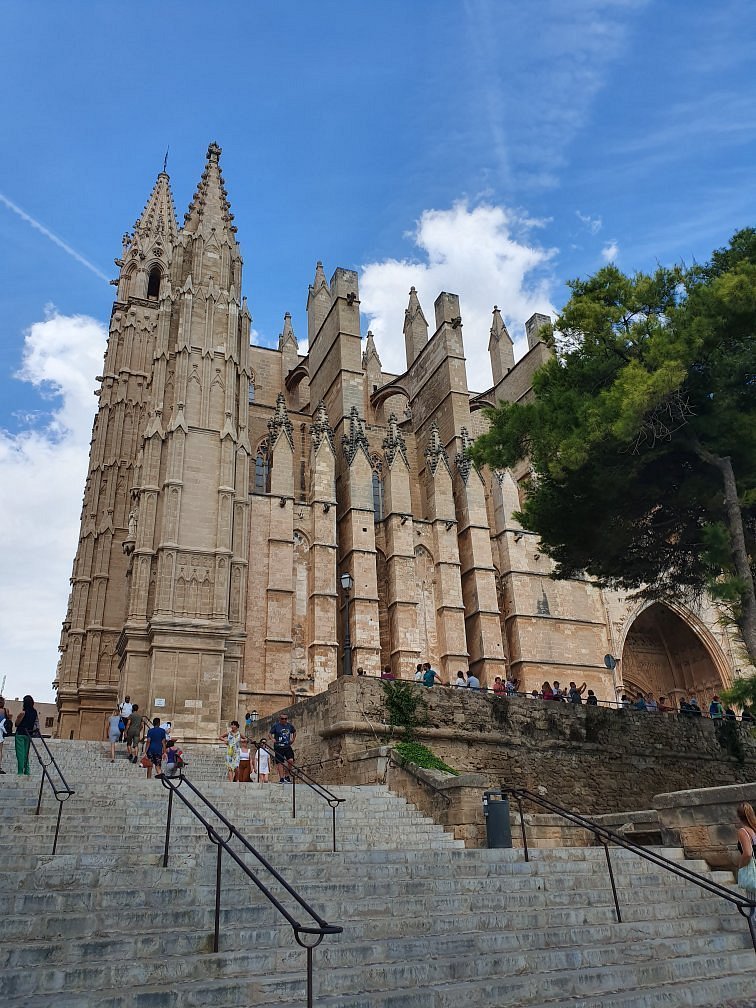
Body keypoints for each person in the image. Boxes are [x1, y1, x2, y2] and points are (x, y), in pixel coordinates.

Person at [734, 802, 756, 908]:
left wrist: (740, 866)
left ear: (738, 816)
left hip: (753, 871)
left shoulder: (743, 831)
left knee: (753, 906)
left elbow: (747, 853)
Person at [14, 695, 39, 776]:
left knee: (20, 753)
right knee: (26, 753)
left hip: (20, 734)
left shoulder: (23, 713)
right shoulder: (34, 712)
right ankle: (27, 770)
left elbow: (16, 724)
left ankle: (20, 771)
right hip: (28, 734)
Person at [270, 712, 296, 783]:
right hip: (278, 746)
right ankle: (281, 778)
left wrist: (293, 739)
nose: (284, 720)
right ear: (280, 719)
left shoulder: (289, 726)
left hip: (287, 746)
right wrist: (272, 739)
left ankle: (287, 776)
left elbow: (294, 731)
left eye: (285, 719)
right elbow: (270, 733)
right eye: (282, 719)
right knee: (280, 762)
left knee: (291, 760)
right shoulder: (276, 726)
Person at [0, 696, 11, 774]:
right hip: (1, 731)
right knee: (0, 750)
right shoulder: (5, 710)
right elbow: (8, 719)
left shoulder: (5, 710)